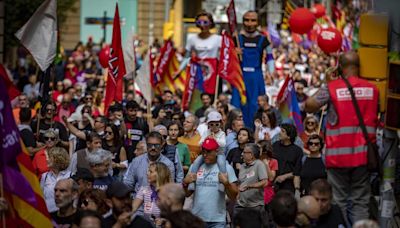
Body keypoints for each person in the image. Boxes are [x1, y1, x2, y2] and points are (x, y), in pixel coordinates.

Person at [304, 51, 379, 225]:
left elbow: (309, 106)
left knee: (338, 202)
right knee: (361, 202)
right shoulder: (372, 89)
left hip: (338, 157)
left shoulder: (332, 88)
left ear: (339, 68)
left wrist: (327, 82)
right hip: (363, 156)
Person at [183, 137, 238, 228]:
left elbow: (234, 196)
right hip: (197, 219)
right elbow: (187, 194)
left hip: (217, 220)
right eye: (203, 151)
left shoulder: (226, 168)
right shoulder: (194, 167)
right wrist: (185, 183)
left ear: (216, 151)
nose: (205, 155)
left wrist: (226, 184)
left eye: (208, 152)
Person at [231, 11, 270, 128]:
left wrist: (270, 71)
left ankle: (256, 132)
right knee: (237, 105)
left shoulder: (263, 39)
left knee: (256, 105)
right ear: (242, 22)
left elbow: (270, 56)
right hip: (240, 77)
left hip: (256, 77)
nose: (249, 23)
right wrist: (233, 53)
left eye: (253, 20)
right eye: (247, 20)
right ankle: (238, 132)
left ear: (257, 22)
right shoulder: (236, 38)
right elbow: (226, 58)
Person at [124, 131, 175, 196]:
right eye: (150, 145)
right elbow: (128, 183)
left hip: (158, 202)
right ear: (146, 144)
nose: (153, 148)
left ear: (162, 145)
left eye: (156, 145)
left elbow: (169, 188)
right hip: (138, 202)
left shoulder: (168, 164)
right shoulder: (136, 161)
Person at [233, 143, 269, 228]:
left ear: (251, 154)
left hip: (255, 206)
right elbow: (240, 183)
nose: (242, 154)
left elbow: (264, 182)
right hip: (240, 205)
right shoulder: (242, 166)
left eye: (244, 152)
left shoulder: (259, 164)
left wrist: (250, 186)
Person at [273, 123, 303, 193]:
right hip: (274, 185)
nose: (279, 133)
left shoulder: (297, 150)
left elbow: (298, 171)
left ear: (289, 136)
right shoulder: (275, 145)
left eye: (282, 131)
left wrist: (285, 176)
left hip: (289, 186)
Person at [40, 147, 71, 213]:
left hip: (65, 214)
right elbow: (41, 197)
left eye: (49, 157)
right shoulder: (44, 176)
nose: (46, 159)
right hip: (49, 214)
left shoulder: (70, 176)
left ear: (58, 159)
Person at [259, 140, 278, 205]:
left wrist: (266, 165)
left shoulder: (274, 161)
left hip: (267, 191)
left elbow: (271, 178)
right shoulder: (255, 160)